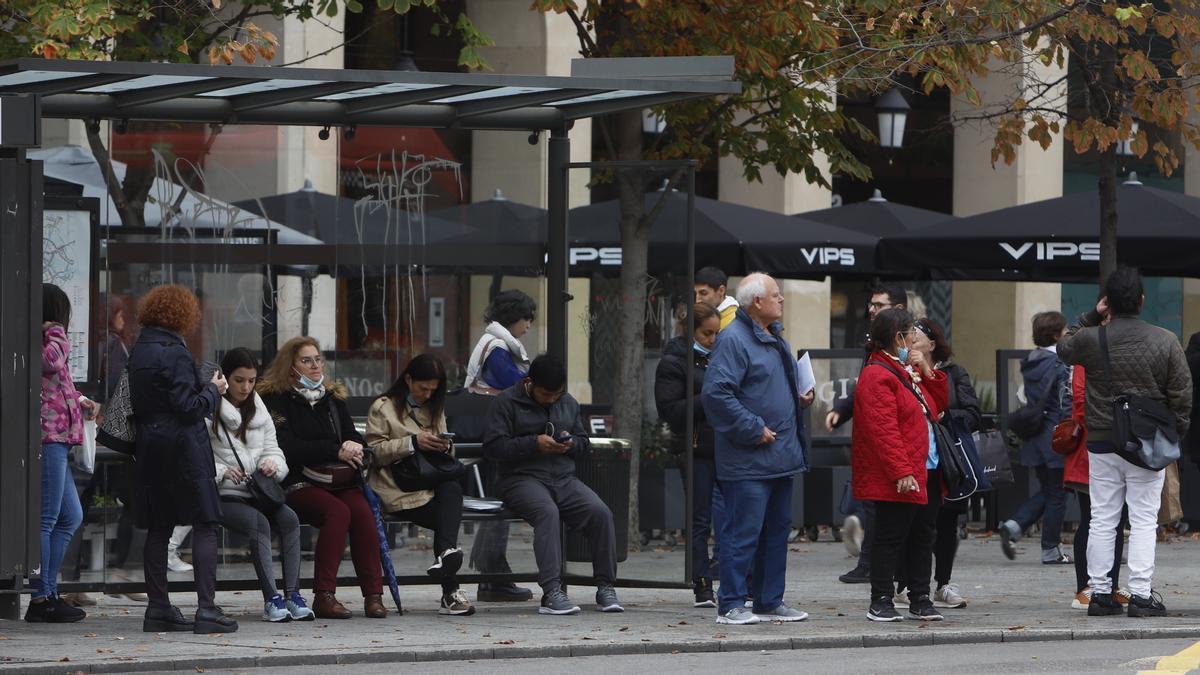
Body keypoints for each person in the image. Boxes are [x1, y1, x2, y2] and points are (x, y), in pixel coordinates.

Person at [1058, 267, 1192, 617]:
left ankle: (1100, 593)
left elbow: (1063, 347)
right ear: (1142, 300)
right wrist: (1173, 431)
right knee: (1145, 519)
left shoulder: (1091, 338)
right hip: (1147, 441)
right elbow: (1181, 392)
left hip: (1102, 439)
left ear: (1108, 303)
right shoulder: (1165, 339)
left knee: (1103, 517)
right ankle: (1141, 595)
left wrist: (1091, 314)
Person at [701, 272, 810, 626]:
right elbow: (716, 394)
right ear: (756, 302)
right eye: (776, 295)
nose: (782, 299)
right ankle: (731, 604)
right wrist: (753, 428)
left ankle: (768, 600)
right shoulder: (734, 339)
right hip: (749, 457)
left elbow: (766, 388)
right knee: (742, 533)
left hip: (780, 456)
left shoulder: (774, 337)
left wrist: (797, 399)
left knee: (777, 533)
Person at [127, 284, 237, 634]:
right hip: (183, 448)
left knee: (160, 526)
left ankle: (158, 607)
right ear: (181, 315)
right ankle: (207, 609)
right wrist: (214, 391)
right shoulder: (173, 351)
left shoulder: (140, 350)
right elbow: (189, 410)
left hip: (150, 446)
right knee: (204, 522)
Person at [483, 354, 622, 616]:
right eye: (546, 394)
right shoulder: (506, 402)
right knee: (548, 513)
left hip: (563, 478)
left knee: (600, 513)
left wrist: (571, 444)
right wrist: (533, 443)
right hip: (520, 478)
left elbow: (584, 442)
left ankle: (606, 586)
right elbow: (493, 447)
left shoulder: (567, 402)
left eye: (556, 394)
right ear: (529, 383)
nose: (551, 400)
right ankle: (552, 591)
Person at [259, 336, 386, 620]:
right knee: (337, 513)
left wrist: (354, 446)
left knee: (363, 512)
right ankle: (324, 596)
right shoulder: (275, 400)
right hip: (297, 479)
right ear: (290, 367)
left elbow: (350, 434)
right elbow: (287, 446)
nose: (315, 366)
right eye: (307, 360)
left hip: (338, 479)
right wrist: (335, 450)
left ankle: (374, 595)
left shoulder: (332, 398)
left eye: (318, 359)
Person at [851, 308, 949, 622]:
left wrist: (929, 373)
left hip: (922, 468)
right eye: (909, 335)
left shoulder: (903, 369)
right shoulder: (878, 374)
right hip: (899, 474)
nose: (913, 341)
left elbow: (935, 408)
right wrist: (901, 471)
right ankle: (880, 600)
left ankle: (920, 597)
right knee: (890, 537)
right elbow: (883, 429)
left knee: (922, 535)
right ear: (897, 338)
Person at [207, 348, 313, 623]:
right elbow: (196, 458)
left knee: (289, 519)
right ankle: (272, 599)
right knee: (259, 524)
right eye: (239, 380)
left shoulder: (259, 407)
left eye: (251, 380)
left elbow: (273, 449)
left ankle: (293, 595)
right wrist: (223, 472)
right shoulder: (209, 407)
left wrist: (272, 465)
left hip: (258, 491)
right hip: (223, 493)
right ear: (225, 378)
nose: (245, 387)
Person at [366, 354, 475, 616]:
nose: (427, 394)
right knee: (447, 518)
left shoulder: (435, 407)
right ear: (408, 379)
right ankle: (450, 588)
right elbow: (375, 452)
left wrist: (445, 445)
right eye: (422, 388)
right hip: (397, 488)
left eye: (432, 390)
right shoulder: (383, 407)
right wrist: (413, 443)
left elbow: (446, 456)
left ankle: (447, 556)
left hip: (431, 482)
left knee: (452, 489)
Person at [892, 318, 980, 610]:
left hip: (948, 456)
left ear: (932, 344)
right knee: (912, 522)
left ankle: (943, 583)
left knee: (946, 523)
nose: (911, 341)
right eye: (908, 336)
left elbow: (972, 412)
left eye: (916, 336)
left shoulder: (953, 373)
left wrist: (946, 417)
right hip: (917, 457)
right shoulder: (902, 370)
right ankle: (905, 585)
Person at [25, 284, 96, 623]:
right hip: (47, 438)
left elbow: (60, 382)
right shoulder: (47, 342)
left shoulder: (48, 343)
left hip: (60, 439)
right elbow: (51, 364)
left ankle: (49, 590)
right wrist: (55, 330)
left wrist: (82, 401)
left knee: (71, 516)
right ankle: (40, 598)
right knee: (48, 517)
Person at [831, 282, 908, 585]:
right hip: (873, 435)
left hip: (900, 439)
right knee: (872, 498)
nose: (871, 310)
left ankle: (888, 573)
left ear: (898, 310)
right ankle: (870, 564)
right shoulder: (875, 346)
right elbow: (865, 386)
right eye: (871, 305)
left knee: (884, 506)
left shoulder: (911, 345)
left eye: (879, 305)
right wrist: (842, 409)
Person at [463, 289, 536, 603]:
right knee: (498, 502)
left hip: (486, 427)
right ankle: (493, 573)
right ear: (514, 318)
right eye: (527, 319)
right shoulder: (498, 348)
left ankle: (493, 571)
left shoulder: (494, 343)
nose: (529, 326)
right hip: (492, 431)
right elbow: (515, 385)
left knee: (497, 501)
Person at [654, 302, 722, 608]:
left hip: (724, 446)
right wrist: (709, 398)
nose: (712, 339)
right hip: (696, 447)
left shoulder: (716, 358)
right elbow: (670, 411)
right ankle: (702, 583)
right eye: (707, 333)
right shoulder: (674, 362)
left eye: (716, 333)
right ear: (690, 330)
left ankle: (737, 580)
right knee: (699, 519)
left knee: (733, 517)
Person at [997, 312, 1074, 565]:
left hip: (1035, 437)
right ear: (1056, 335)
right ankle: (1049, 548)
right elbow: (1065, 402)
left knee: (1049, 490)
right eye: (1064, 331)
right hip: (1055, 435)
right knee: (1057, 494)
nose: (1067, 335)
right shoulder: (1059, 363)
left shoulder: (1031, 360)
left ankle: (1014, 525)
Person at [1062, 365, 1129, 611]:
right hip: (1091, 451)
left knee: (1116, 520)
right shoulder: (1086, 358)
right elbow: (1080, 404)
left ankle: (1108, 585)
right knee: (1093, 518)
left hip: (1109, 445)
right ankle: (1085, 587)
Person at [694, 266, 739, 331]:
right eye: (695, 294)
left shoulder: (731, 322)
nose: (697, 300)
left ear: (721, 291)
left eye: (703, 293)